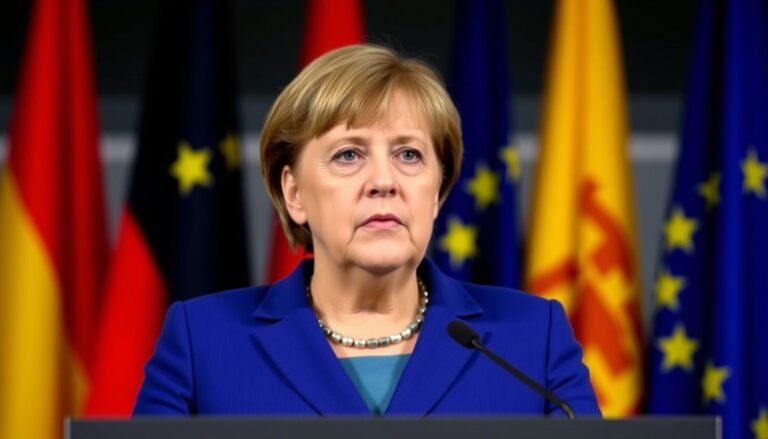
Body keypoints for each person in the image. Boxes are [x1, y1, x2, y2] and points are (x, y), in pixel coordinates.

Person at [134, 44, 601, 417]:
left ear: (436, 192)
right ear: (294, 193)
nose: (384, 181)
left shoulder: (531, 341)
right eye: (348, 155)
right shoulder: (204, 343)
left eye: (410, 155)